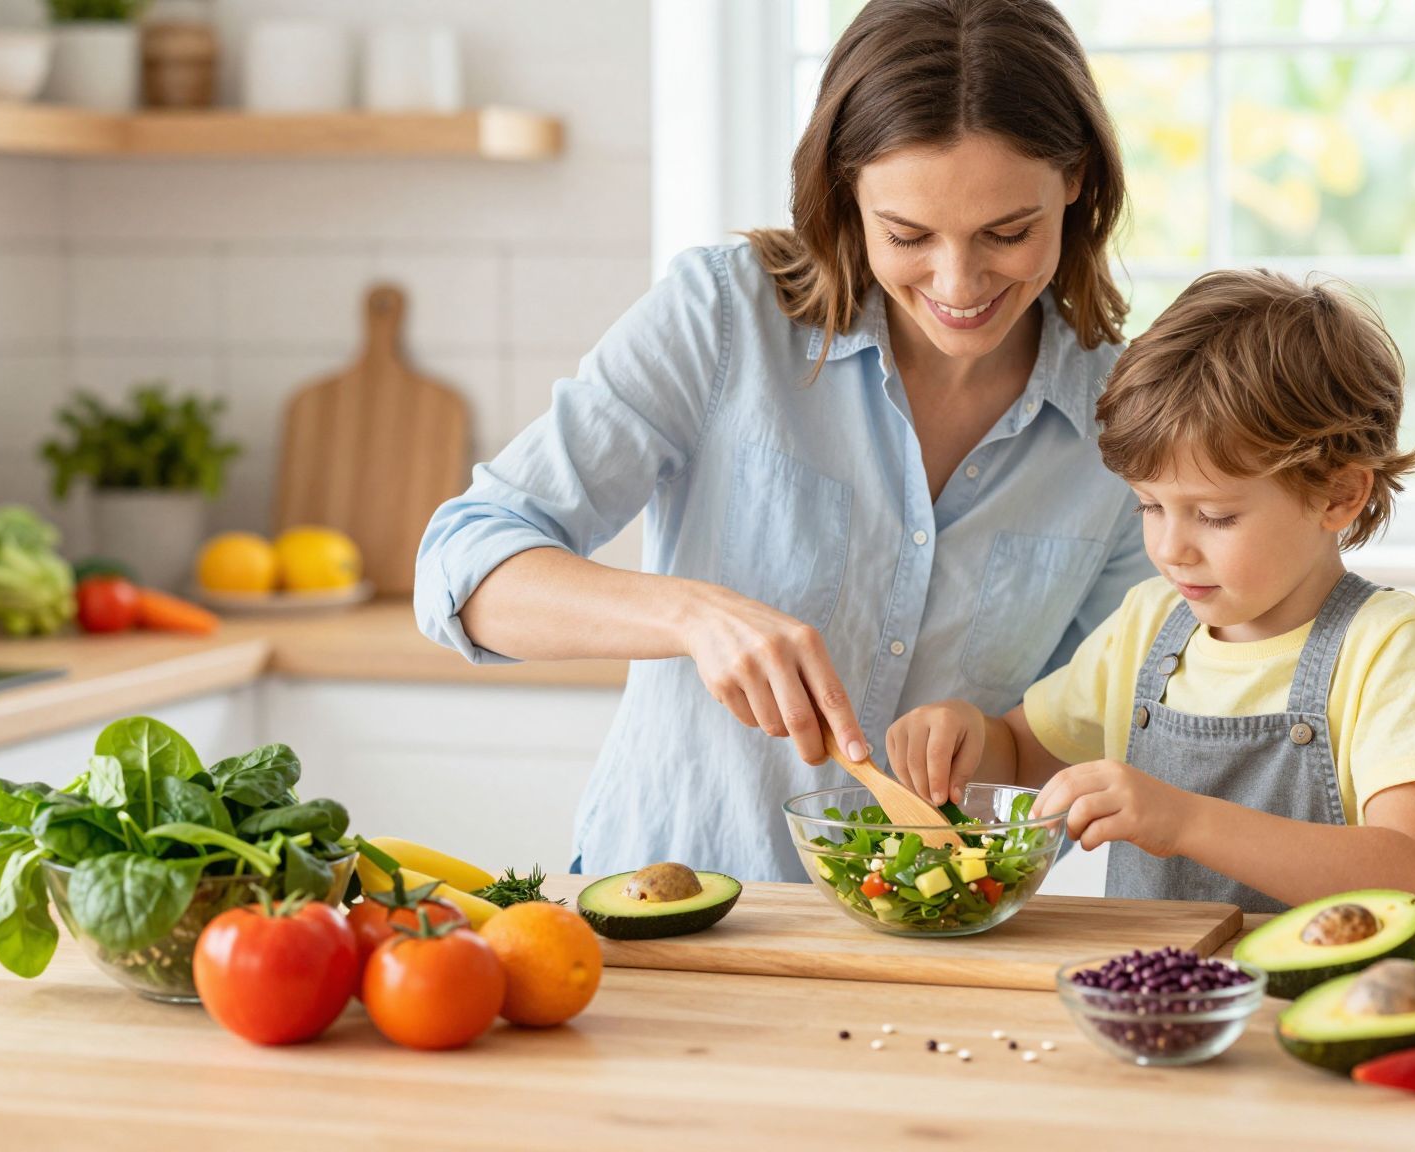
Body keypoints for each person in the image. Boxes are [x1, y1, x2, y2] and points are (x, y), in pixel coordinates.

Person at [413, 0, 1153, 880]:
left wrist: (995, 749)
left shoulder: (1126, 422)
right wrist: (691, 616)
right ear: (848, 193)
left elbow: (1102, 723)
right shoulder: (724, 321)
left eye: (1008, 233)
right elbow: (461, 565)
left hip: (934, 943)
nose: (959, 282)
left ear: (1076, 181)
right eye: (908, 235)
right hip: (667, 913)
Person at [885, 269, 1415, 917]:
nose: (1172, 547)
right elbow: (1023, 758)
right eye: (1150, 507)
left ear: (1339, 494)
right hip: (1153, 1009)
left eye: (1214, 516)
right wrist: (965, 734)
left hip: (1325, 1011)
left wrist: (1186, 821)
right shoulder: (1149, 624)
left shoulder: (1389, 646)